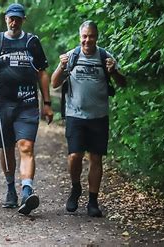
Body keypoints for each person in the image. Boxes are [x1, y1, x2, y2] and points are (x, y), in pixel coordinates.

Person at [50, 20, 126, 217]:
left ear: (96, 37)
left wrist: (114, 71)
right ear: (79, 37)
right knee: (74, 156)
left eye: (91, 36)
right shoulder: (72, 56)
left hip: (99, 116)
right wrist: (61, 66)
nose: (87, 40)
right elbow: (54, 83)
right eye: (84, 36)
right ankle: (76, 188)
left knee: (96, 158)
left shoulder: (105, 56)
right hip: (75, 115)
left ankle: (93, 201)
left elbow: (123, 83)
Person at [0, 3, 53, 215]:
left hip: (27, 104)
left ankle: (26, 191)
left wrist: (47, 104)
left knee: (25, 146)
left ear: (24, 20)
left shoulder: (32, 42)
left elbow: (42, 73)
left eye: (17, 18)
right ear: (5, 18)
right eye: (10, 18)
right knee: (6, 150)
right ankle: (9, 188)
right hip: (2, 105)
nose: (13, 22)